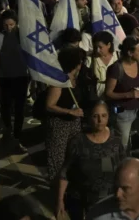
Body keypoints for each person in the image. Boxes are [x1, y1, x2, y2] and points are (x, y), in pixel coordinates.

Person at [57, 101, 126, 220]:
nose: (100, 120)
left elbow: (124, 169)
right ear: (89, 117)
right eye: (95, 116)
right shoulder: (77, 142)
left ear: (108, 116)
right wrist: (59, 200)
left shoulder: (116, 141)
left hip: (108, 201)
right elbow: (65, 172)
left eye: (103, 116)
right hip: (81, 201)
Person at [104, 36, 139, 162]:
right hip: (122, 112)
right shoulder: (116, 69)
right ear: (130, 53)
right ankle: (122, 171)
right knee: (123, 145)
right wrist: (129, 95)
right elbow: (108, 93)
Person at [0, 10, 29, 153]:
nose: (9, 28)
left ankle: (17, 138)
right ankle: (8, 133)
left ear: (16, 24)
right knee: (6, 109)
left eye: (11, 24)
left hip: (20, 78)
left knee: (19, 110)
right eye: (6, 25)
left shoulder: (22, 37)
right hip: (5, 79)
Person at [44, 47, 85, 181]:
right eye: (80, 61)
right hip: (59, 125)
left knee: (73, 155)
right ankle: (56, 185)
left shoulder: (75, 78)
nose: (82, 64)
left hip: (74, 123)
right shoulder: (59, 82)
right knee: (58, 157)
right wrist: (70, 111)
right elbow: (49, 105)